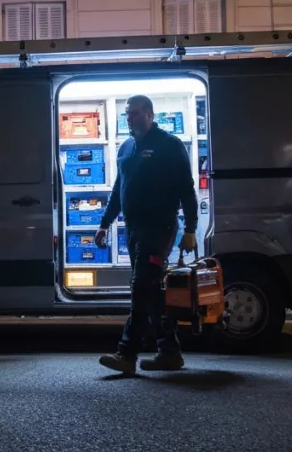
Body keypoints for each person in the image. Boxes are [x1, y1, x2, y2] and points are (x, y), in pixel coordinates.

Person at [96, 95, 199, 375]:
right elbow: (119, 189)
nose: (130, 118)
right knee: (152, 291)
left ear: (151, 115)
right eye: (128, 114)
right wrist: (104, 223)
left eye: (136, 114)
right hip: (134, 229)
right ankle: (170, 352)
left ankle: (126, 354)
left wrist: (190, 228)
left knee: (141, 287)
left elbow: (186, 189)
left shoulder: (169, 145)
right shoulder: (127, 148)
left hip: (159, 229)